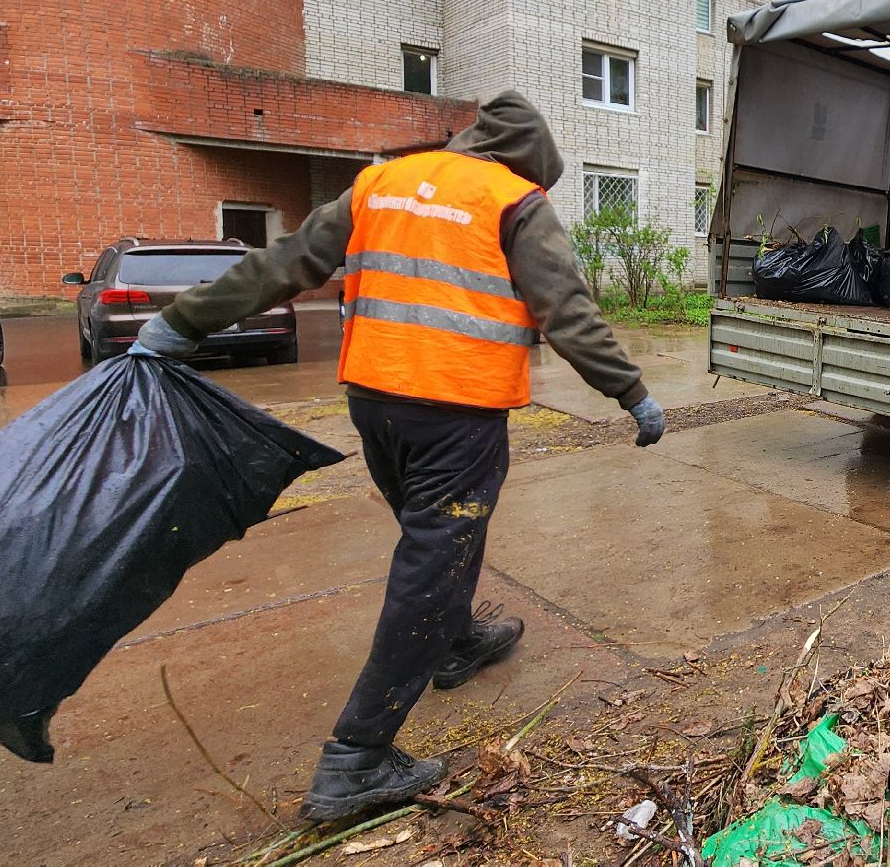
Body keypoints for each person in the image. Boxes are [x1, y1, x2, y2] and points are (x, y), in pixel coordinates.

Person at [133, 91, 666, 821]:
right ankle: (357, 757)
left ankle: (455, 643)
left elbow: (286, 262)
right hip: (457, 410)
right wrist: (631, 392)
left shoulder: (383, 182)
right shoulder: (517, 200)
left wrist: (179, 323)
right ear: (534, 165)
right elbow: (564, 308)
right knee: (434, 552)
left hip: (375, 401)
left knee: (438, 534)